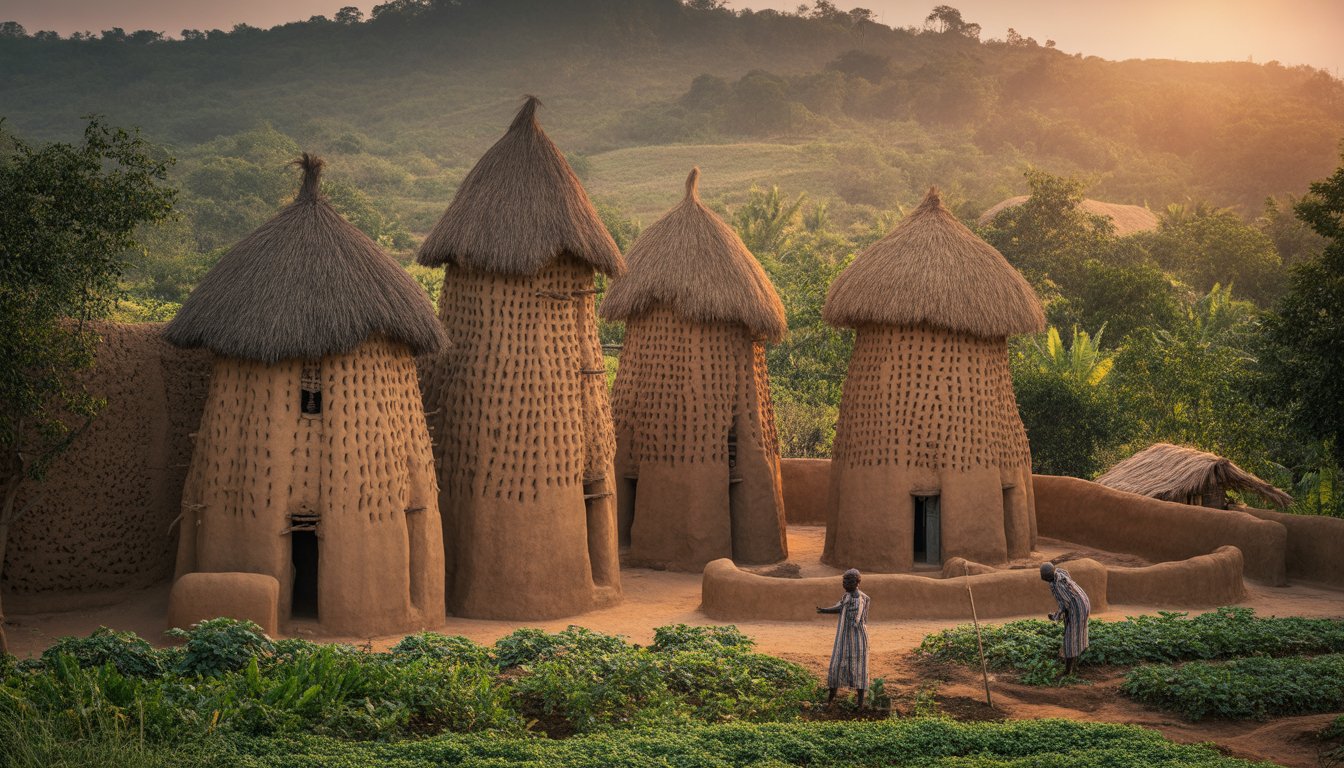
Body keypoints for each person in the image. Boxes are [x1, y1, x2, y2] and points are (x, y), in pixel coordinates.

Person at [816, 568, 871, 707]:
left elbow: (853, 615)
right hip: (844, 639)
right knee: (836, 666)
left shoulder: (859, 599)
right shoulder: (848, 596)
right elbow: (841, 607)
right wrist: (824, 610)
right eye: (844, 581)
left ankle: (860, 705)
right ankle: (830, 700)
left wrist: (825, 610)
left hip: (856, 640)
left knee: (858, 669)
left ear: (858, 582)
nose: (846, 583)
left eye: (850, 581)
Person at [1040, 561, 1090, 677]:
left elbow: (1065, 604)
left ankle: (1068, 671)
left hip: (1078, 608)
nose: (1042, 577)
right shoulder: (1059, 573)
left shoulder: (1059, 585)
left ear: (1047, 576)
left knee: (1070, 638)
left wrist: (1055, 616)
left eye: (1044, 575)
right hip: (1083, 601)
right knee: (1075, 633)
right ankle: (1074, 662)